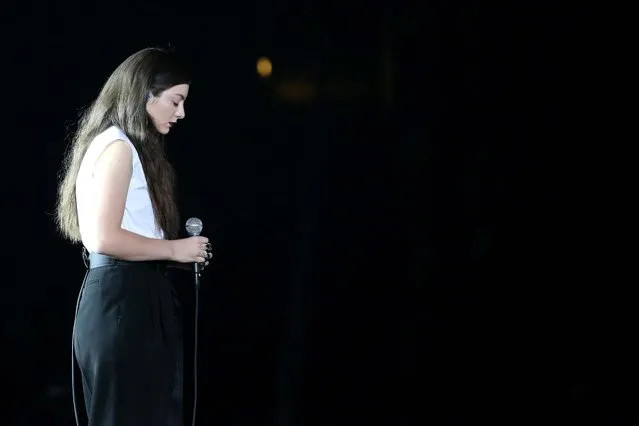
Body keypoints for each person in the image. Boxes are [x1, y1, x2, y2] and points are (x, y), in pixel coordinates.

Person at [55, 47, 212, 426]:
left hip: (131, 296)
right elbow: (104, 237)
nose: (181, 113)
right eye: (175, 101)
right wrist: (175, 248)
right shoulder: (117, 148)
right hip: (122, 300)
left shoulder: (122, 146)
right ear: (145, 93)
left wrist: (170, 256)